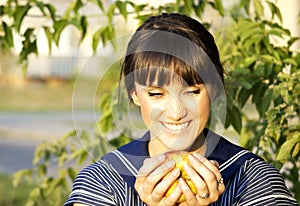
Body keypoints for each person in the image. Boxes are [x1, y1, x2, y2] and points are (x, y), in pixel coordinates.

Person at [65, 13, 298, 206]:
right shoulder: (104, 180)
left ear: (215, 88)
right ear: (134, 95)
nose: (176, 112)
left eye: (192, 92)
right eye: (156, 94)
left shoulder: (252, 178)